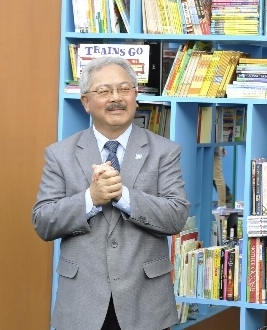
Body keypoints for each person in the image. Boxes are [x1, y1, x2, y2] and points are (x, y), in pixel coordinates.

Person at [32, 56, 190, 330]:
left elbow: (176, 216)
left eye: (124, 89)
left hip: (145, 304)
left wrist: (123, 196)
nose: (116, 98)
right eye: (104, 91)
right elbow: (43, 221)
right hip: (82, 304)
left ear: (135, 96)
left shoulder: (165, 151)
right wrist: (91, 199)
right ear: (86, 102)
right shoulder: (59, 154)